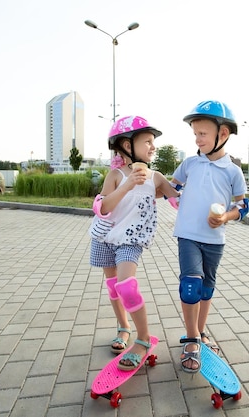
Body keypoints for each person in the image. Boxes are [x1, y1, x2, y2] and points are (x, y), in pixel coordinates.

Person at [89, 115, 180, 371]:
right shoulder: (116, 175)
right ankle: (123, 327)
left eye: (153, 142)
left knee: (127, 286)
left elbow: (176, 199)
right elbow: (103, 207)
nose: (153, 146)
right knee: (113, 286)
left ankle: (142, 339)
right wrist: (127, 184)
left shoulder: (156, 177)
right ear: (126, 145)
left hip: (131, 240)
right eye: (148, 141)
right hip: (106, 236)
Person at [170, 100, 249, 373]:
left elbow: (243, 206)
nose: (197, 139)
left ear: (223, 134)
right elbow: (171, 187)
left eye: (202, 134)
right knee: (191, 284)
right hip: (188, 235)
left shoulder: (232, 171)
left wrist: (225, 217)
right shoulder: (190, 163)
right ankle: (192, 339)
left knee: (206, 289)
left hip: (215, 240)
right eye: (195, 134)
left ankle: (200, 332)